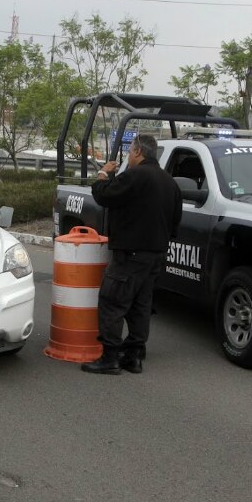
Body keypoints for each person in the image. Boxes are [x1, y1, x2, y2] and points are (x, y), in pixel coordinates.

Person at [81, 134, 182, 375]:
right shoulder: (170, 183)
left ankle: (110, 358)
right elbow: (175, 222)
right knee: (141, 305)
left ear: (138, 152)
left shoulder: (136, 175)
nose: (129, 157)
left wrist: (103, 174)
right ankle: (134, 356)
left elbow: (104, 195)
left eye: (130, 152)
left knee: (112, 302)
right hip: (156, 255)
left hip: (130, 254)